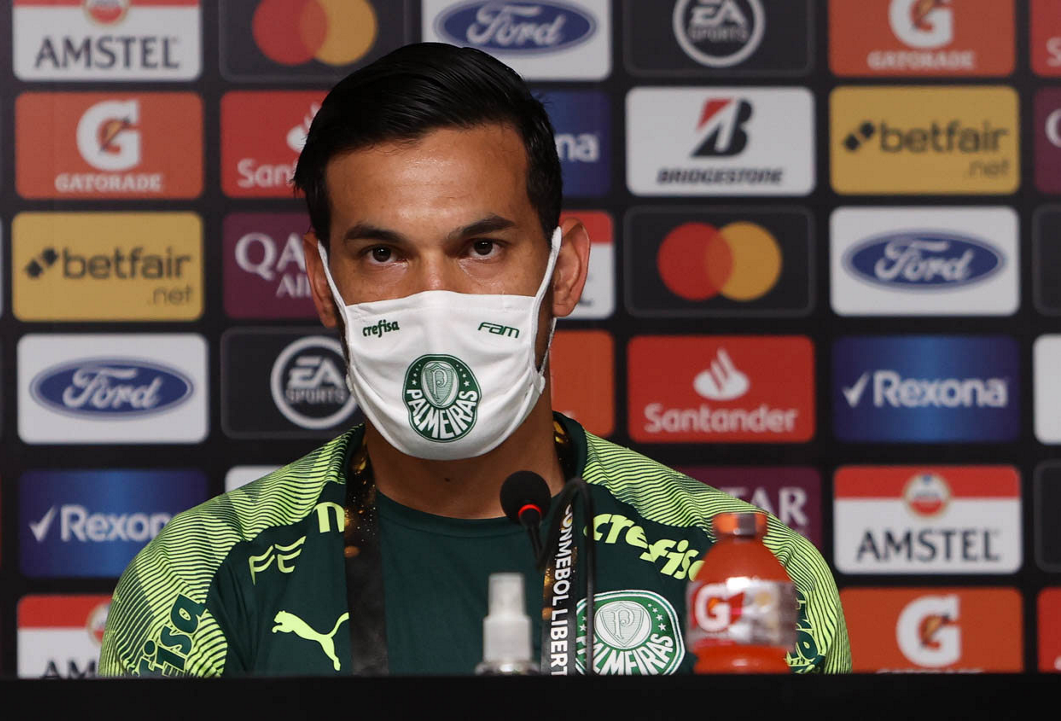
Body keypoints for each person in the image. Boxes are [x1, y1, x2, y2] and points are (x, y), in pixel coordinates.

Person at [99, 42, 850, 676]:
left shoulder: (746, 573)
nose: (436, 301)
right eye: (383, 253)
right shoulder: (198, 579)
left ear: (564, 271)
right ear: (322, 284)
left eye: (481, 247)